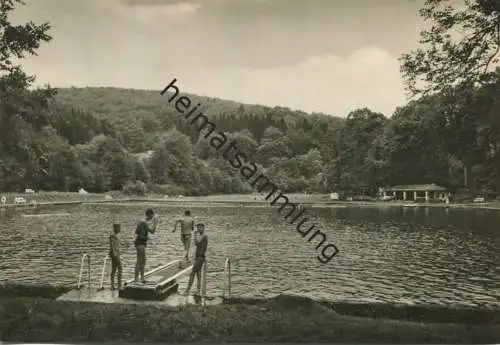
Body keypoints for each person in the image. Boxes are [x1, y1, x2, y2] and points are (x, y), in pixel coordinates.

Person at [184, 222, 208, 296]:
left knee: (193, 272)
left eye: (200, 227)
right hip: (198, 257)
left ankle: (187, 290)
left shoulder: (204, 235)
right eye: (197, 228)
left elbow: (197, 242)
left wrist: (194, 235)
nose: (198, 229)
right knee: (198, 274)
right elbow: (197, 244)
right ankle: (198, 291)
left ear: (203, 228)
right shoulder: (201, 235)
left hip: (200, 257)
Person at [134, 208, 158, 283]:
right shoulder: (145, 222)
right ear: (150, 214)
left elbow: (136, 232)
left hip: (138, 242)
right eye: (152, 215)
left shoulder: (141, 221)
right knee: (142, 261)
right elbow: (152, 231)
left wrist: (143, 233)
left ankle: (137, 278)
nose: (152, 217)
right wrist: (155, 223)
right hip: (141, 243)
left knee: (139, 261)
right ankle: (141, 278)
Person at [109, 223, 122, 290]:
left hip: (116, 253)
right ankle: (119, 285)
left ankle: (112, 285)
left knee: (114, 269)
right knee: (120, 268)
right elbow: (112, 246)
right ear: (115, 228)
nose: (120, 229)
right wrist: (114, 254)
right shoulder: (113, 236)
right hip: (115, 254)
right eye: (119, 227)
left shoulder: (116, 235)